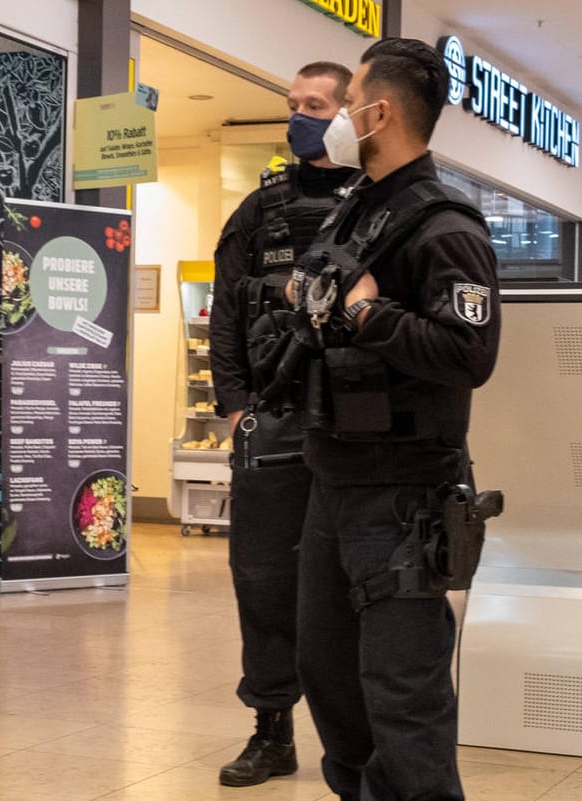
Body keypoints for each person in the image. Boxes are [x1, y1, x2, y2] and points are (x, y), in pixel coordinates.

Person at [285, 38, 500, 801]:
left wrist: (370, 314)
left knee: (403, 693)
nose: (335, 120)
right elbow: (315, 293)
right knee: (328, 674)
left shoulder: (445, 225)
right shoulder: (357, 208)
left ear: (379, 114)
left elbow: (469, 352)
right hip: (333, 475)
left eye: (346, 105)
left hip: (404, 490)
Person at [209, 61, 358, 787]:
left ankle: (359, 736)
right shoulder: (258, 209)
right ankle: (272, 730)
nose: (298, 116)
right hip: (271, 421)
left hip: (358, 424)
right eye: (292, 104)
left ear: (350, 113)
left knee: (356, 579)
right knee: (263, 579)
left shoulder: (380, 203)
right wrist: (236, 407)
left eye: (315, 105)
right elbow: (226, 313)